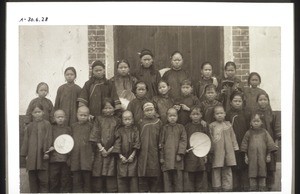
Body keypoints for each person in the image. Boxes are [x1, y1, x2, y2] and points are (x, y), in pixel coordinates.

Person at [89, 98, 120, 192]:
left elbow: (119, 137)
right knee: (98, 179)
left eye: (110, 108)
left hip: (112, 153)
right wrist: (101, 149)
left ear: (114, 108)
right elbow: (95, 134)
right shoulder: (98, 119)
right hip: (100, 152)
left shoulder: (117, 120)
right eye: (105, 108)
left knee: (111, 179)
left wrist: (111, 149)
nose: (107, 110)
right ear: (102, 109)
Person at [240, 113, 278, 191]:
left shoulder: (265, 132)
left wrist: (268, 155)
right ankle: (253, 189)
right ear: (250, 123)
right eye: (254, 121)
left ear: (261, 122)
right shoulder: (248, 133)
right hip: (251, 158)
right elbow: (244, 145)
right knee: (252, 172)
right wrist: (245, 156)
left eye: (258, 121)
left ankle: (262, 189)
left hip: (262, 157)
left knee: (262, 172)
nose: (256, 123)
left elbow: (270, 144)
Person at [20, 103, 52, 193]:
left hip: (43, 157)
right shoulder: (29, 126)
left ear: (43, 112)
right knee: (33, 180)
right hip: (32, 157)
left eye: (39, 112)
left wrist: (46, 152)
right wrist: (25, 155)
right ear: (32, 114)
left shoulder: (47, 124)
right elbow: (26, 141)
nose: (37, 114)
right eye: (35, 112)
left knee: (44, 180)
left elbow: (48, 138)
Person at [254, 93, 281, 191]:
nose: (263, 101)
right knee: (259, 162)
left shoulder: (273, 114)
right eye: (260, 100)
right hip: (258, 142)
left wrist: (276, 143)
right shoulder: (254, 114)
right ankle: (260, 185)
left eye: (265, 99)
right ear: (257, 101)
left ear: (268, 101)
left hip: (270, 142)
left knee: (270, 163)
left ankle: (269, 185)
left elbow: (277, 129)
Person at [209, 105, 239, 192]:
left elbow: (233, 137)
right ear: (214, 115)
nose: (219, 115)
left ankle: (227, 189)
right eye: (217, 113)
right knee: (216, 170)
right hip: (217, 151)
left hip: (228, 152)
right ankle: (217, 188)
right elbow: (210, 138)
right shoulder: (212, 126)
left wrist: (235, 148)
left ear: (225, 114)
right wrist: (211, 150)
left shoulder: (228, 125)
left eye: (221, 113)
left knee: (227, 170)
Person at [225, 91, 251, 191]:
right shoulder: (228, 114)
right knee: (234, 164)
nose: (237, 103)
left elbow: (249, 128)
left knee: (244, 164)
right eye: (235, 101)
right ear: (230, 102)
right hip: (232, 144)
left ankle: (245, 187)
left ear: (242, 102)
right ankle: (235, 187)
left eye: (239, 101)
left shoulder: (247, 113)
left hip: (244, 143)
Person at [159, 107, 187, 192]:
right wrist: (161, 157)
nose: (172, 118)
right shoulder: (164, 128)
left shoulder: (181, 127)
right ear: (167, 117)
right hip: (167, 159)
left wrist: (180, 153)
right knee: (167, 180)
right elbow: (161, 143)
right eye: (170, 116)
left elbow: (183, 141)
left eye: (174, 115)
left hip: (177, 158)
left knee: (178, 179)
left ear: (177, 116)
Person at [137, 102, 163, 192]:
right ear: (144, 112)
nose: (149, 112)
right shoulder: (140, 122)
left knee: (155, 173)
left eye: (151, 110)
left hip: (155, 151)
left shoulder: (158, 122)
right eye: (147, 110)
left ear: (155, 110)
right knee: (143, 172)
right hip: (143, 152)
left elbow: (161, 137)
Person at [113, 110, 140, 192]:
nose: (127, 121)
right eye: (125, 119)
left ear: (133, 119)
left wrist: (132, 155)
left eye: (129, 119)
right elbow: (117, 144)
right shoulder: (119, 131)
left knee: (133, 180)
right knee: (121, 181)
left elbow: (137, 143)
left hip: (133, 159)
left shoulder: (135, 130)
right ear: (122, 120)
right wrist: (121, 156)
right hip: (122, 160)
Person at [183, 106, 208, 192]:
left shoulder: (203, 126)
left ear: (201, 115)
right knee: (190, 172)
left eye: (198, 114)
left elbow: (207, 140)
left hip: (201, 154)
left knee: (200, 174)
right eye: (193, 114)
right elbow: (185, 140)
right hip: (190, 155)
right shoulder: (187, 127)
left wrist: (206, 154)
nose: (195, 116)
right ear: (190, 116)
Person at [69, 106, 94, 193]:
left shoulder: (91, 126)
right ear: (77, 115)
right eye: (81, 115)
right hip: (75, 157)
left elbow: (94, 142)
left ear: (88, 116)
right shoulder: (73, 127)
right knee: (76, 180)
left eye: (85, 115)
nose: (83, 117)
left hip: (87, 157)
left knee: (87, 180)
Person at [48, 110, 72, 193]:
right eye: (58, 117)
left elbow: (70, 142)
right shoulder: (51, 128)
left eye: (62, 117)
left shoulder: (68, 129)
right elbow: (49, 141)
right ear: (54, 118)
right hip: (54, 159)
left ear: (65, 118)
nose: (60, 119)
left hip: (65, 159)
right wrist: (52, 147)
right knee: (53, 178)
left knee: (65, 178)